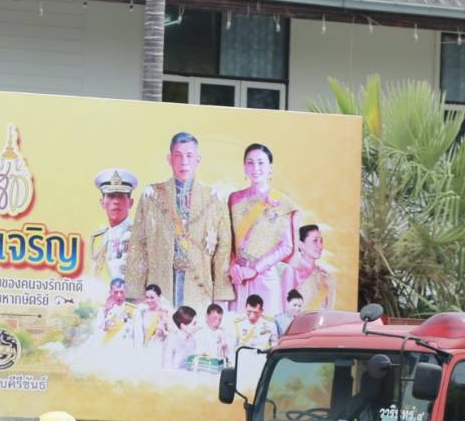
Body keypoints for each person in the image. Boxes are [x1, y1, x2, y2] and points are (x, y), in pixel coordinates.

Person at [128, 132, 233, 312]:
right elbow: (138, 245)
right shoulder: (152, 195)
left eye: (189, 155)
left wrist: (221, 296)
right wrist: (136, 294)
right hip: (160, 286)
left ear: (198, 160)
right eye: (178, 155)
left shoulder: (214, 198)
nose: (184, 162)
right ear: (170, 159)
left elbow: (223, 249)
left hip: (199, 289)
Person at [228, 143, 296, 316]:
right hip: (238, 278)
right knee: (237, 328)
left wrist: (255, 269)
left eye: (261, 163)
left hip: (265, 277)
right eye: (250, 163)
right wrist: (232, 265)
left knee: (266, 328)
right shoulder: (234, 199)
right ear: (244, 167)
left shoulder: (282, 202)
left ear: (270, 168)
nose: (255, 168)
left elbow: (286, 246)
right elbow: (227, 239)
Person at [87, 167, 139, 301]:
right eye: (110, 196)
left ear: (130, 202)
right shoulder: (97, 238)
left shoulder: (141, 235)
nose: (116, 201)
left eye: (121, 196)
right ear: (102, 203)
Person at [286, 224, 337, 312]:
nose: (320, 246)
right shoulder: (292, 272)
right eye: (315, 241)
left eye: (321, 241)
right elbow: (285, 308)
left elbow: (329, 310)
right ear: (301, 244)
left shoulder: (326, 276)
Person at [98, 277, 141, 351]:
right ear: (110, 292)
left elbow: (138, 336)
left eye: (122, 292)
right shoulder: (103, 310)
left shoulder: (134, 311)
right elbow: (98, 333)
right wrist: (106, 312)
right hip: (107, 350)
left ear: (126, 292)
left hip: (125, 352)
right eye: (116, 292)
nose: (119, 295)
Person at [193, 303, 234, 373]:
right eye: (214, 318)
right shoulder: (199, 333)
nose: (217, 322)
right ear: (206, 316)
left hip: (220, 369)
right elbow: (197, 355)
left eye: (220, 319)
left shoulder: (224, 333)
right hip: (204, 370)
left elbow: (230, 355)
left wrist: (225, 348)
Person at [139, 283, 171, 365]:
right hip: (144, 348)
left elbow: (171, 335)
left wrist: (163, 331)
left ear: (159, 297)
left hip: (159, 350)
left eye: (152, 297)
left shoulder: (164, 313)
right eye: (147, 297)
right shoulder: (143, 312)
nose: (149, 300)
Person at [162, 306, 198, 370]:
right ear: (183, 325)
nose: (196, 326)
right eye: (194, 324)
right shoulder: (171, 339)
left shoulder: (192, 340)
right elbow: (167, 367)